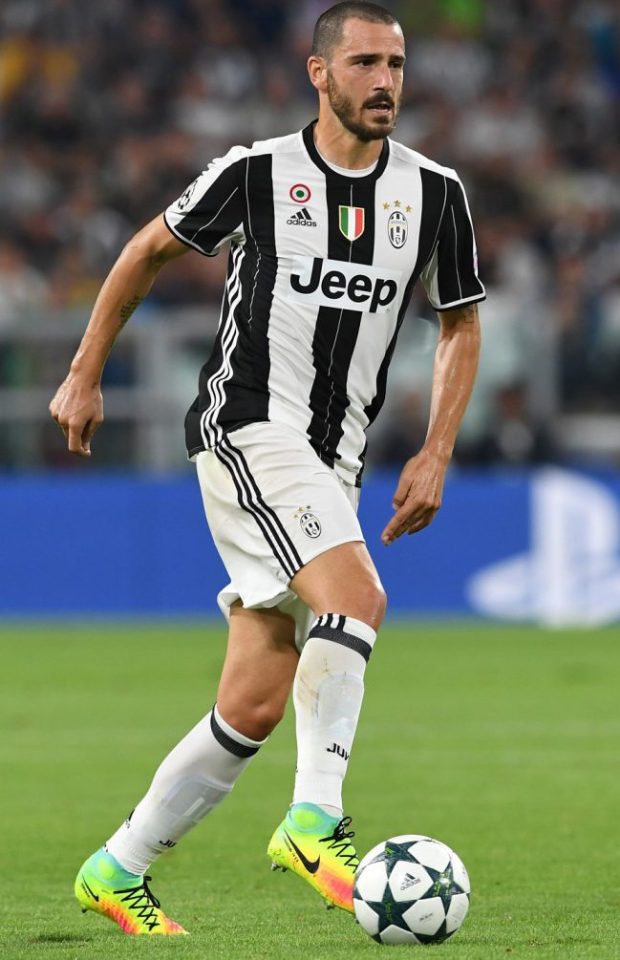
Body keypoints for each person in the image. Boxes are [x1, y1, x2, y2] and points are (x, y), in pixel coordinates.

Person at [50, 1, 484, 937]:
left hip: (336, 459)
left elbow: (459, 321)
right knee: (358, 598)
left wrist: (438, 445)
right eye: (366, 62)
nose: (386, 82)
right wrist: (85, 371)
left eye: (398, 65)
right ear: (319, 73)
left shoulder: (435, 193)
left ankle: (115, 867)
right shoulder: (256, 174)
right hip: (247, 427)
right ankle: (316, 819)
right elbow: (147, 249)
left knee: (253, 698)